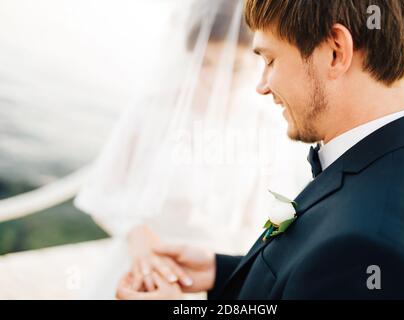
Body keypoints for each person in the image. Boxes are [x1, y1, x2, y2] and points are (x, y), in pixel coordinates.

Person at [116, 0, 404, 300]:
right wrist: (223, 272)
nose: (262, 86)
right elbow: (313, 276)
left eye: (270, 59)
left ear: (335, 52)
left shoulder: (368, 249)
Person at [75, 0, 305, 299]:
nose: (216, 80)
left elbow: (274, 220)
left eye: (234, 68)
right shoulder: (153, 109)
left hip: (217, 275)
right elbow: (102, 191)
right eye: (206, 64)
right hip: (143, 265)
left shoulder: (268, 128)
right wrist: (137, 235)